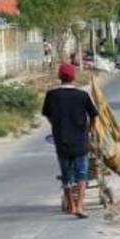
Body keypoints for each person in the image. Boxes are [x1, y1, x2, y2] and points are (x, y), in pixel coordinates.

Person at [41, 62, 99, 218]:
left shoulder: (52, 95)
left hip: (62, 142)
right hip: (81, 142)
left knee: (66, 176)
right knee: (82, 175)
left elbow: (46, 113)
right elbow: (94, 115)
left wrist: (55, 124)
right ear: (74, 77)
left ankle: (71, 206)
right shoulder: (82, 96)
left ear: (60, 77)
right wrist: (90, 130)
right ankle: (80, 206)